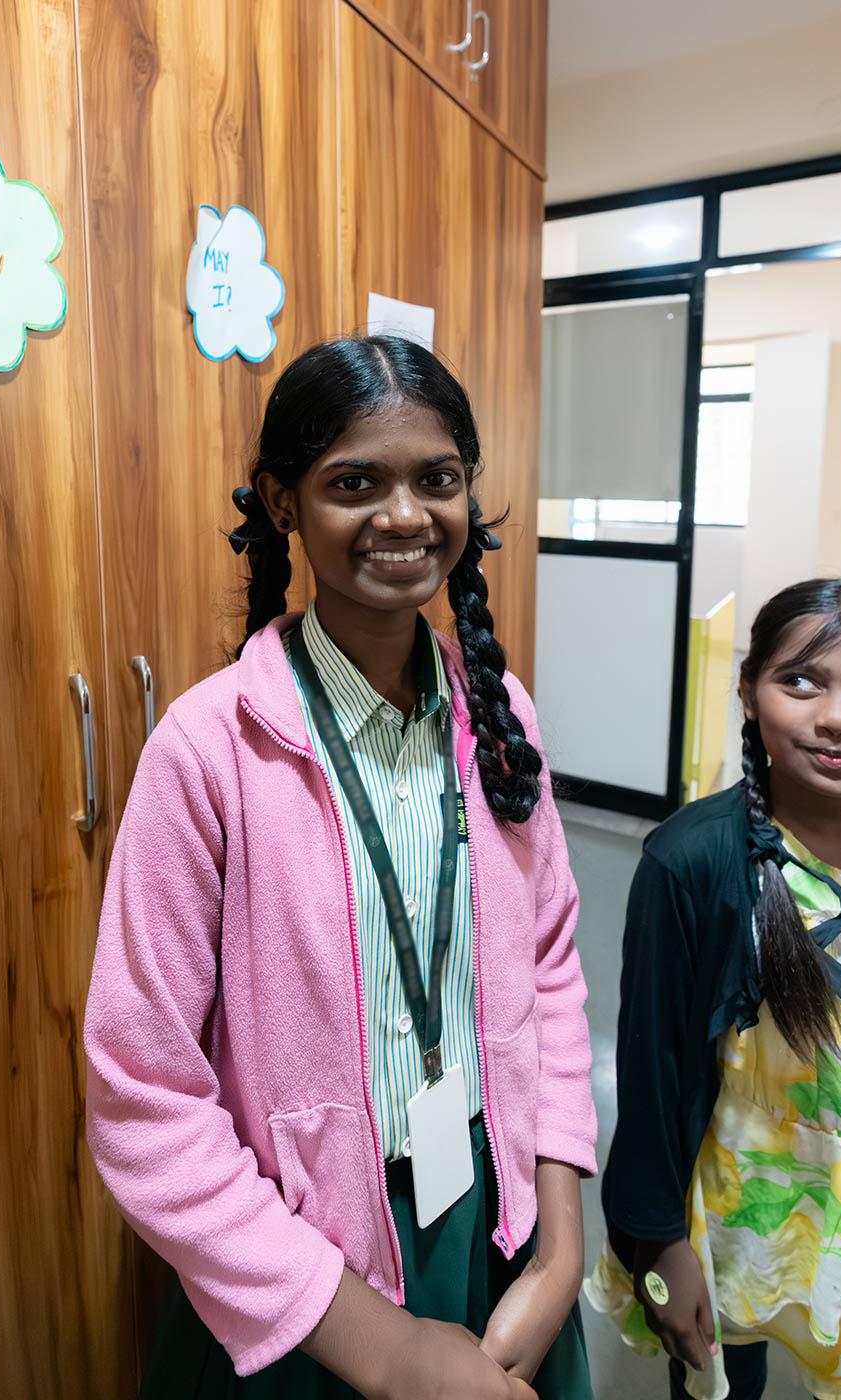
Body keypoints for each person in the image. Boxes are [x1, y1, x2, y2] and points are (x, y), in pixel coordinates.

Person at [84, 335, 596, 1399]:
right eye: (354, 482)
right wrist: (387, 1349)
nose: (404, 515)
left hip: (493, 1217)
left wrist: (562, 1247)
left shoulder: (501, 720)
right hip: (303, 1273)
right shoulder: (207, 747)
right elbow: (144, 1095)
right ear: (282, 502)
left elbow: (549, 968)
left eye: (437, 478)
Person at [589, 575, 841, 1400]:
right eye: (801, 681)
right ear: (749, 692)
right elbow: (654, 1073)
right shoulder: (694, 861)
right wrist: (655, 1242)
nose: (836, 717)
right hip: (732, 1219)